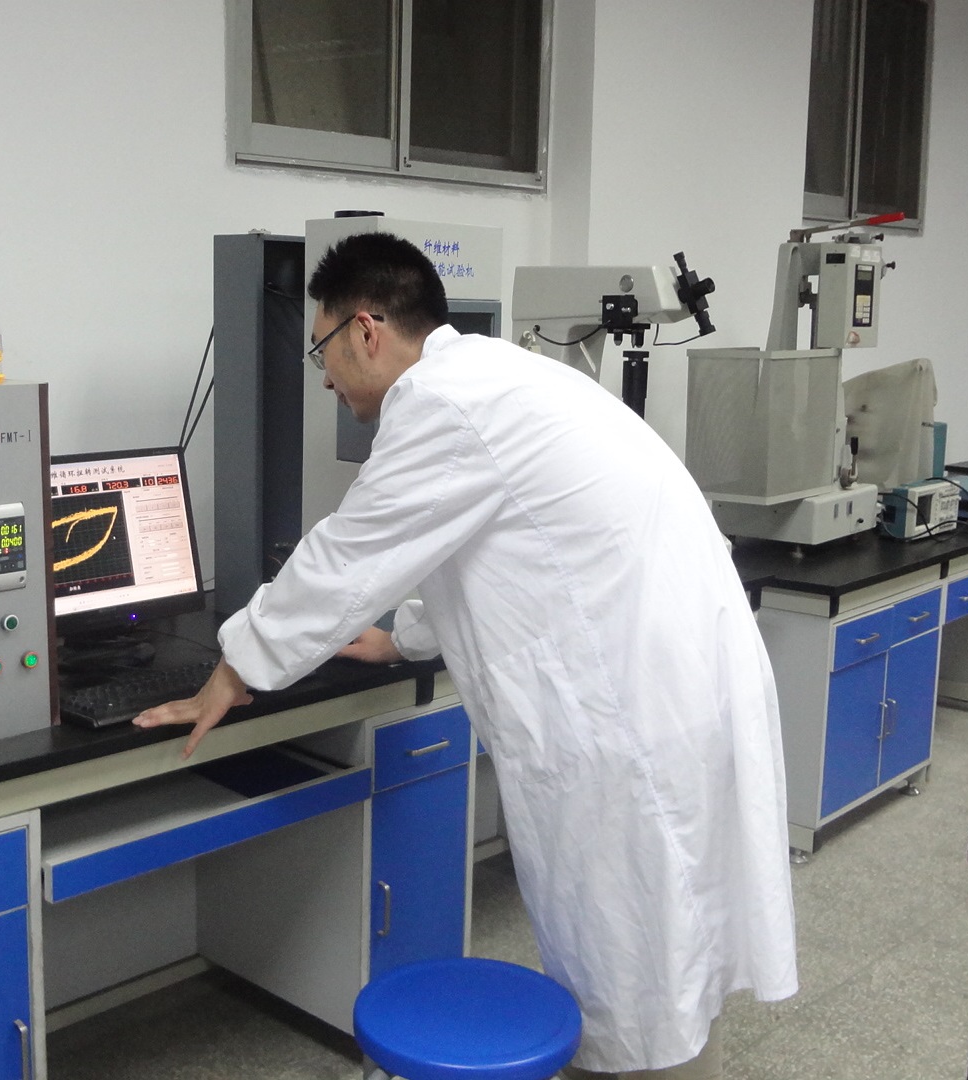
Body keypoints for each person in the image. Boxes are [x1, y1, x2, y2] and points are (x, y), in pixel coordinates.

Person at [135, 230, 798, 1077]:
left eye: (320, 349)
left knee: (637, 964)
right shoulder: (494, 377)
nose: (325, 377)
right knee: (669, 948)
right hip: (672, 679)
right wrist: (402, 638)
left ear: (364, 329)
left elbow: (348, 552)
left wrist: (231, 670)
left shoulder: (441, 405)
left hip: (628, 708)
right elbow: (499, 553)